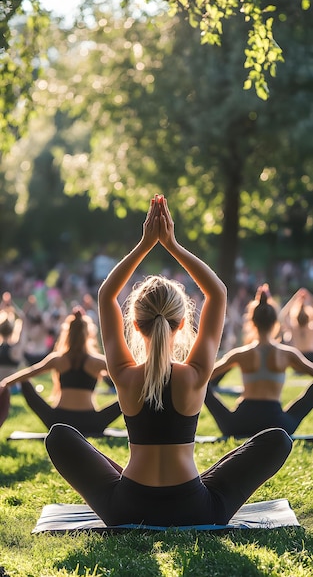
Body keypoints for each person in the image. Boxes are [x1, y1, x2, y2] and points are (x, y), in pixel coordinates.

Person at [45, 196, 292, 528]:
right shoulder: (195, 374)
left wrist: (145, 244)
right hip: (196, 507)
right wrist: (171, 243)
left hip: (127, 506)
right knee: (277, 438)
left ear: (134, 324)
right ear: (181, 323)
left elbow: (106, 295)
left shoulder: (124, 374)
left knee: (59, 436)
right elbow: (217, 292)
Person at [205, 287, 313, 438]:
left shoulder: (240, 354)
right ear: (275, 322)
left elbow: (203, 377)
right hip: (277, 425)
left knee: (203, 388)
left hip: (239, 424)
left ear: (252, 321)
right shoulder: (287, 354)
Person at [0, 307, 121, 436]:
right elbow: (125, 375)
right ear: (88, 334)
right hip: (92, 422)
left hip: (58, 422)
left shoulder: (58, 359)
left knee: (25, 383)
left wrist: (5, 383)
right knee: (133, 394)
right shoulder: (98, 362)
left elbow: (29, 372)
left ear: (67, 334)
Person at [279, 288, 313, 362]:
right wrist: (310, 298)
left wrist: (294, 298)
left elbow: (283, 316)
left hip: (298, 357)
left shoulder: (293, 328)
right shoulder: (311, 328)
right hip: (311, 358)